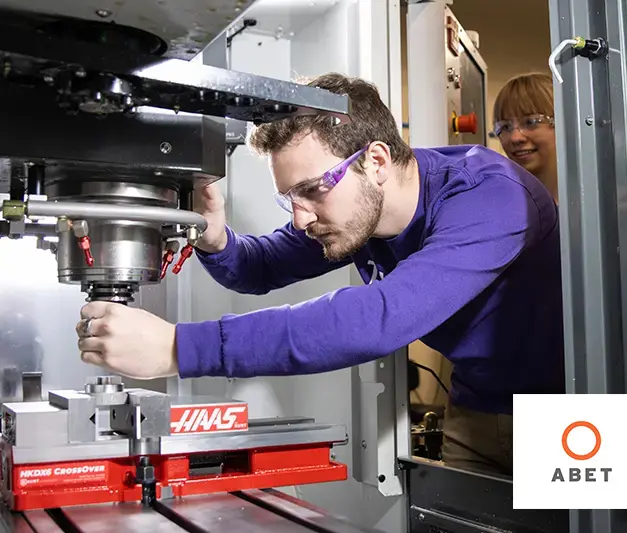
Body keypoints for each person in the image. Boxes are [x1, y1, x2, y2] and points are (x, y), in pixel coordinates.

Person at [74, 73, 565, 477]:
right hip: (476, 409)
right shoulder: (355, 214)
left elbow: (378, 319)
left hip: (564, 413)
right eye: (290, 198)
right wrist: (214, 237)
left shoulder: (492, 198)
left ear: (375, 161)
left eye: (312, 190)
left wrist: (180, 348)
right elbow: (261, 265)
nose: (300, 218)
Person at [492, 72, 558, 204]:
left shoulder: (595, 201)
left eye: (531, 122)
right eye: (505, 127)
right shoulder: (498, 205)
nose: (515, 138)